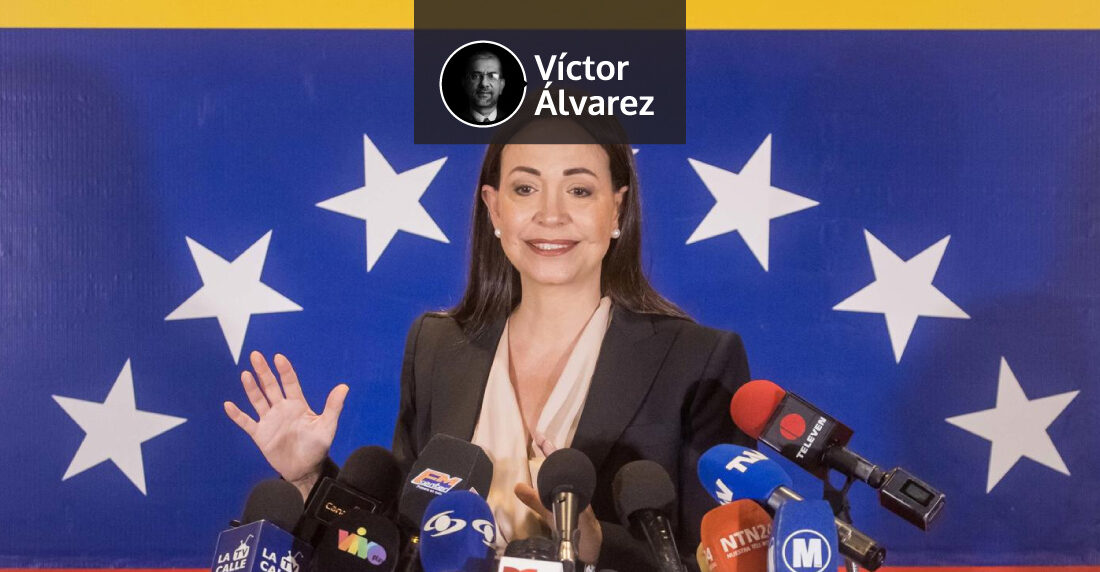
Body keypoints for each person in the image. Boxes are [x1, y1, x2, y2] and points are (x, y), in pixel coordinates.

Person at [223, 113, 754, 571]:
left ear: (616, 209)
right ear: (494, 209)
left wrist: (596, 544)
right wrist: (308, 477)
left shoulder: (698, 361)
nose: (551, 214)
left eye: (579, 190)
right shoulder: (437, 347)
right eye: (525, 189)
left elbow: (725, 558)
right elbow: (398, 542)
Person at [458, 50, 508, 125]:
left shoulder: (516, 122)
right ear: (465, 84)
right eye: (475, 76)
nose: (484, 84)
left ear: (502, 85)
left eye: (492, 76)